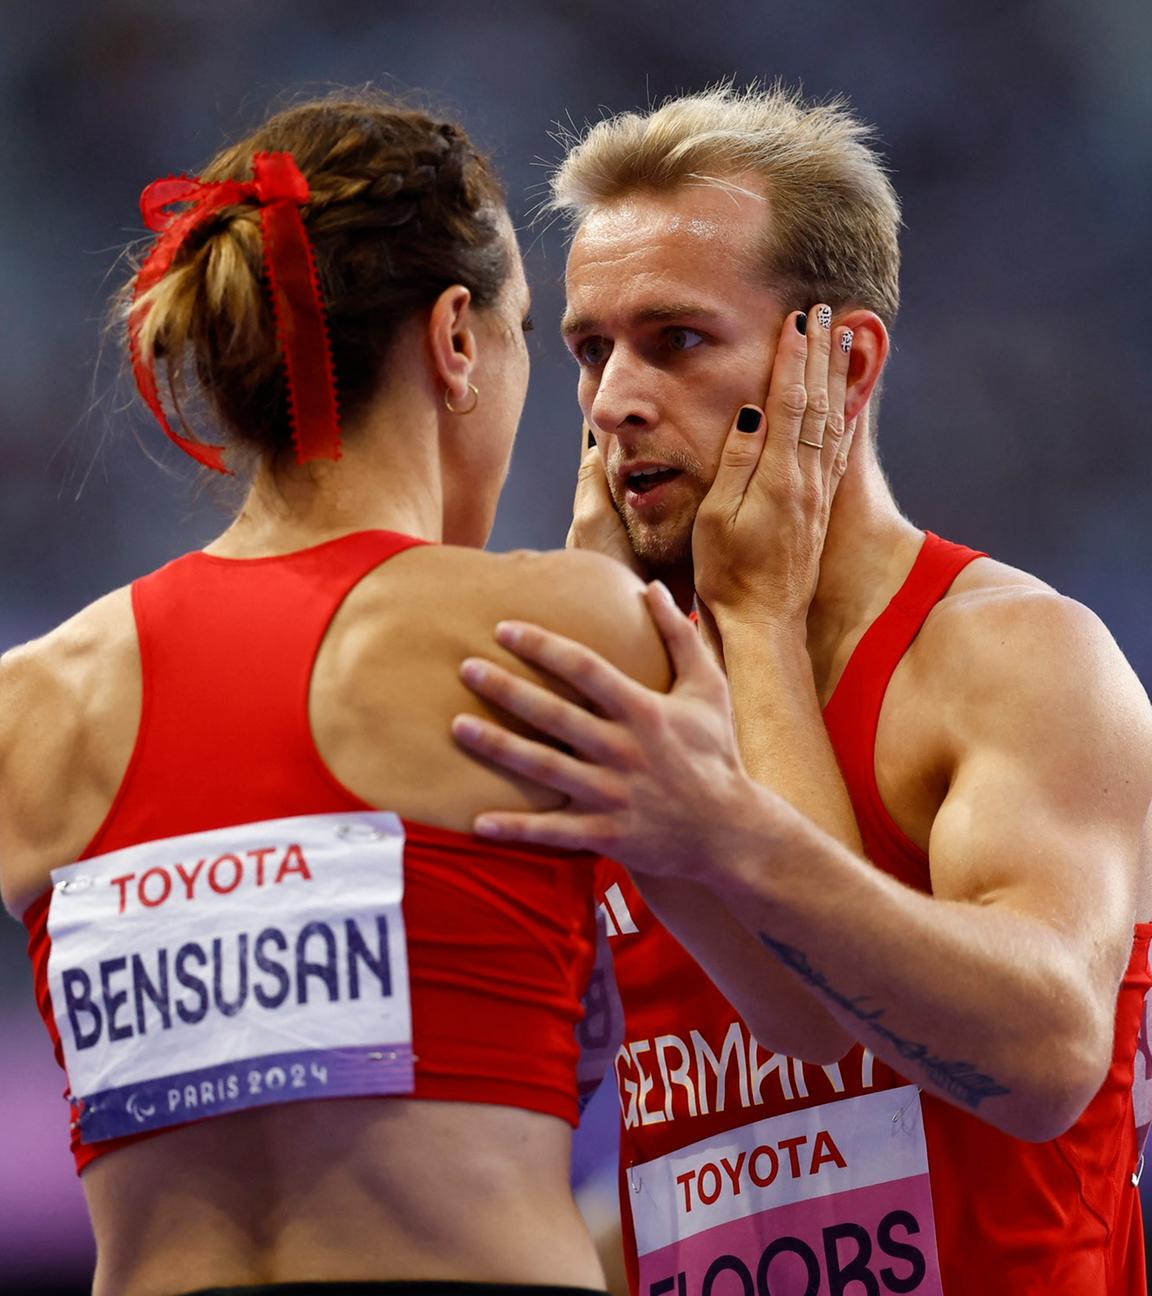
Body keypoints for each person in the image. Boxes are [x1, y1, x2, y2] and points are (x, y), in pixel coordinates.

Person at [450, 85, 1152, 1294]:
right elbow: (712, 1173)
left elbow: (1045, 1059)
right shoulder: (628, 699)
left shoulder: (1016, 657)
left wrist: (760, 630)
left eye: (674, 341)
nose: (614, 400)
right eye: (589, 349)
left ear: (846, 359)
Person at [0, 92, 672, 1296]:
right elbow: (815, 1022)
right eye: (531, 333)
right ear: (457, 339)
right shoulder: (558, 631)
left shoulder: (29, 707)